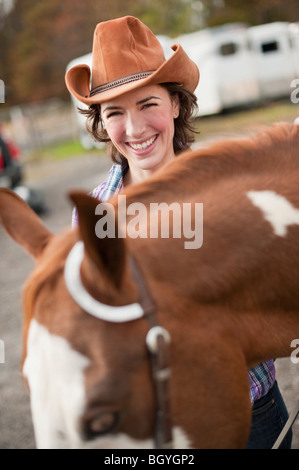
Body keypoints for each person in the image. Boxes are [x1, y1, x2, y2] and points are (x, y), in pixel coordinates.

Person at [65, 15, 292, 449]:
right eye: (115, 112)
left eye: (148, 104)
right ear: (101, 123)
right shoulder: (94, 217)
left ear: (174, 103)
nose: (134, 129)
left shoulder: (230, 188)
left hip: (252, 408)